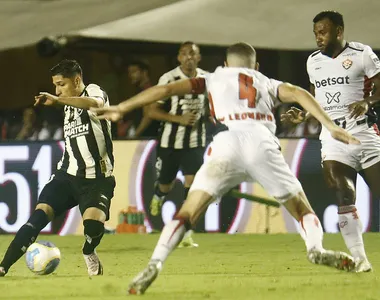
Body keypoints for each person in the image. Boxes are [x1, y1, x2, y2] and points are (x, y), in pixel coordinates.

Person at [93, 42, 361, 295]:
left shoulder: (213, 77)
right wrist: (332, 127)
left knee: (188, 212)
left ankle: (155, 263)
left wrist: (122, 107)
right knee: (302, 209)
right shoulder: (265, 81)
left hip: (226, 144)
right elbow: (299, 93)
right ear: (255, 66)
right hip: (262, 143)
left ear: (224, 64)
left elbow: (166, 91)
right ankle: (315, 248)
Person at [281, 11, 380, 272]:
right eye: (315, 33)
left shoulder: (361, 54)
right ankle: (361, 259)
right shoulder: (313, 62)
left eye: (323, 32)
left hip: (365, 134)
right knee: (343, 192)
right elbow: (317, 101)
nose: (318, 38)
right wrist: (302, 115)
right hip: (333, 136)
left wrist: (366, 101)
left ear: (339, 31)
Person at [0, 59, 115, 277]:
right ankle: (3, 265)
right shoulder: (67, 106)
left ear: (77, 80)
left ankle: (89, 251)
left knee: (93, 226)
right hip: (66, 175)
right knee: (38, 217)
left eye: (61, 84)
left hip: (97, 179)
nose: (57, 90)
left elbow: (97, 105)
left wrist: (58, 100)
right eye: (55, 85)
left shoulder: (93, 91)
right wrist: (59, 100)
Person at [146, 41, 208, 247]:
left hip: (195, 143)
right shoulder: (168, 79)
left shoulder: (207, 79)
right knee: (166, 184)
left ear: (199, 58)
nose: (188, 57)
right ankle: (159, 194)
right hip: (169, 143)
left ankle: (185, 233)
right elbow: (151, 111)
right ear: (179, 58)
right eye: (184, 54)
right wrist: (178, 119)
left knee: (193, 186)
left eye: (193, 54)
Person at [126, 60, 159, 138]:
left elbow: (147, 116)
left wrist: (135, 135)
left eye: (134, 72)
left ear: (144, 72)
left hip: (146, 137)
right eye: (129, 72)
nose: (130, 75)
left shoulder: (148, 90)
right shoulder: (139, 91)